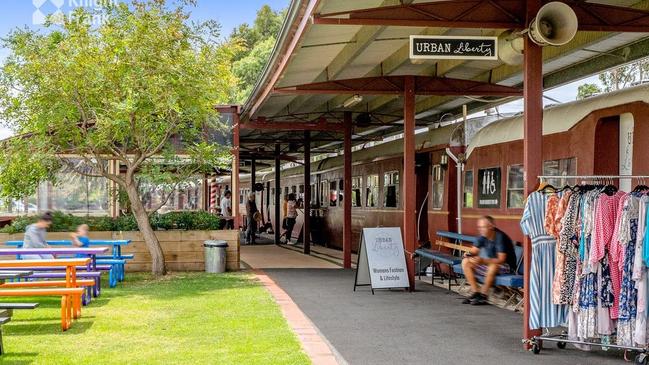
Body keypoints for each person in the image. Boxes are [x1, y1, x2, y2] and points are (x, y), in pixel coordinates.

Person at [461, 216, 516, 305]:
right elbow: (474, 251)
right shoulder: (482, 236)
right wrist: (468, 254)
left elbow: (501, 259)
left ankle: (483, 295)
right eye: (479, 227)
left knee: (493, 266)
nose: (480, 230)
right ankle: (476, 293)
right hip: (490, 263)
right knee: (465, 262)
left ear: (491, 226)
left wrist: (482, 261)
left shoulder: (499, 236)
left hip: (507, 266)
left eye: (483, 227)